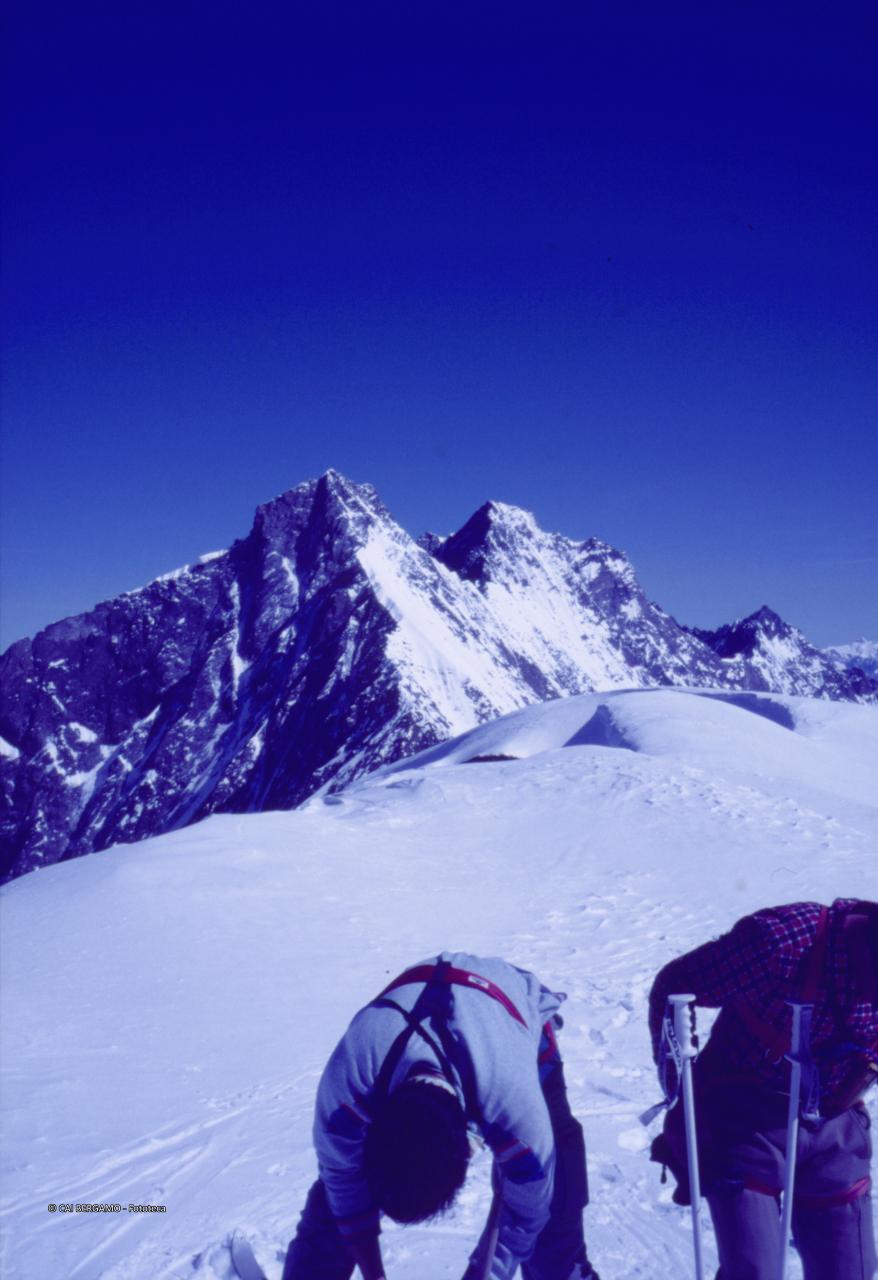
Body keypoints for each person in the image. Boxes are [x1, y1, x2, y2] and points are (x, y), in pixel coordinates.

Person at [282, 951, 600, 1280]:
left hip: (514, 1019)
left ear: (468, 1149)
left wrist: (484, 1274)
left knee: (552, 1214)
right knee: (336, 1203)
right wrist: (374, 1274)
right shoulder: (348, 1086)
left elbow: (524, 1217)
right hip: (417, 1021)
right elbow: (343, 1182)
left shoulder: (514, 1104)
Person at [648, 898, 878, 1280]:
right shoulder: (786, 942)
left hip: (835, 1120)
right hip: (741, 1118)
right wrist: (679, 1097)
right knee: (754, 1271)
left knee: (850, 1271)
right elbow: (675, 985)